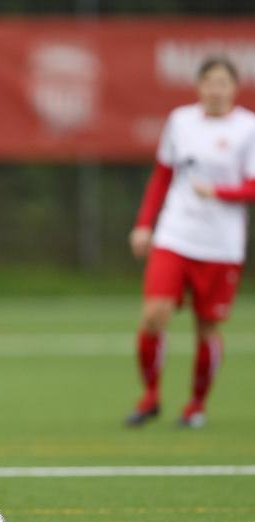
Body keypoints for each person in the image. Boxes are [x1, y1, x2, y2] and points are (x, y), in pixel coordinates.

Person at [126, 56, 255, 429]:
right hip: (175, 234)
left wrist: (219, 191)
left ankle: (196, 405)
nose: (216, 89)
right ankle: (150, 396)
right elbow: (162, 176)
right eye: (209, 82)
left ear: (234, 87)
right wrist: (144, 225)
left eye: (223, 83)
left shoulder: (247, 127)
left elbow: (252, 184)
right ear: (199, 86)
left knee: (207, 327)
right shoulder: (180, 121)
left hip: (221, 245)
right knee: (154, 316)